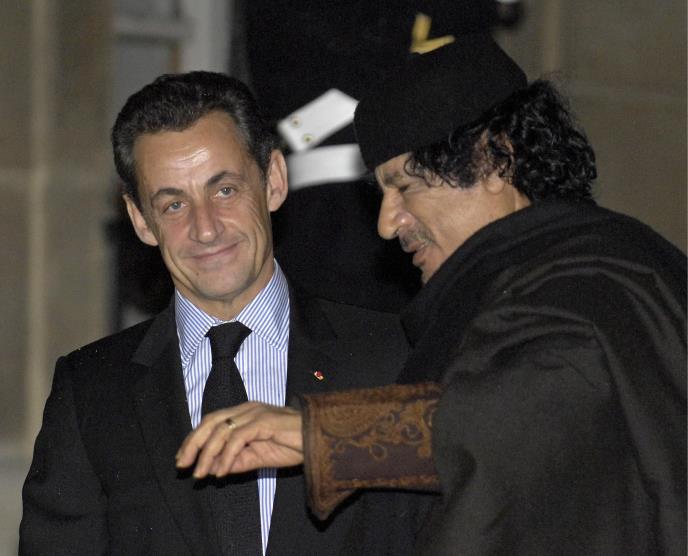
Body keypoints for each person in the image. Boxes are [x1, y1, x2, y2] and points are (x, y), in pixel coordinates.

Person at [177, 36, 687, 555]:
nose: (386, 224)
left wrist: (328, 434)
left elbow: (537, 410)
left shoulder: (596, 275)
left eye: (405, 186)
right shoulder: (503, 285)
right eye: (382, 193)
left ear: (495, 159)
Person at [20, 72, 430, 555]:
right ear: (141, 221)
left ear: (273, 181)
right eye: (174, 204)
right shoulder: (91, 390)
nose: (206, 229)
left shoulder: (393, 356)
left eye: (225, 191)